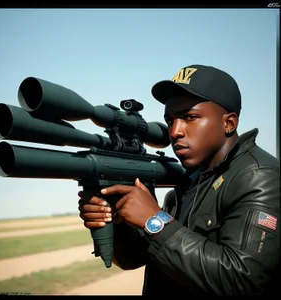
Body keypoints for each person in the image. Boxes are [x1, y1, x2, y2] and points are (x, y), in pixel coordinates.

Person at [78, 64, 280, 296]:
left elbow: (242, 279)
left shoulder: (259, 176)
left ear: (229, 123)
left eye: (189, 117)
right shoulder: (184, 187)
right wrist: (118, 219)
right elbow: (134, 259)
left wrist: (155, 221)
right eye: (170, 121)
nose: (175, 132)